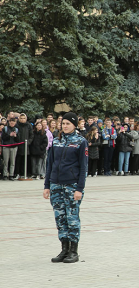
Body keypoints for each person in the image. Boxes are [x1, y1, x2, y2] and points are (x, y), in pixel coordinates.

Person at [43, 113, 88, 264]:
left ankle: (73, 251)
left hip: (71, 185)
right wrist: (47, 186)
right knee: (60, 218)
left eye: (68, 123)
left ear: (74, 125)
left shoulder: (81, 142)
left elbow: (83, 167)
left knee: (72, 218)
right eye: (63, 123)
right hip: (56, 184)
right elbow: (50, 164)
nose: (65, 126)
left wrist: (79, 189)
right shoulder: (56, 141)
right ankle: (64, 249)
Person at [15, 113, 33, 178]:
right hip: (18, 145)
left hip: (26, 146)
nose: (22, 120)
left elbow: (31, 135)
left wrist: (28, 142)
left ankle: (23, 173)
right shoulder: (17, 125)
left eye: (24, 118)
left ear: (26, 119)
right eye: (21, 118)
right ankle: (17, 173)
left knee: (24, 160)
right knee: (18, 160)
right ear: (19, 119)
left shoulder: (29, 125)